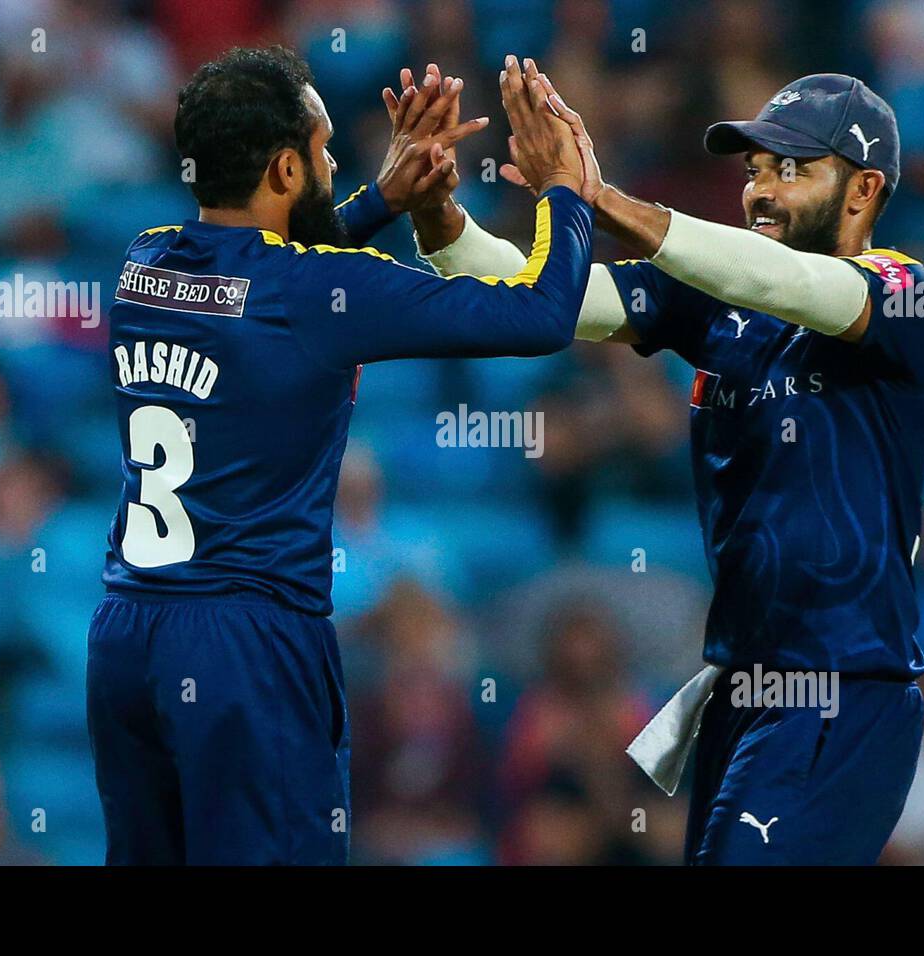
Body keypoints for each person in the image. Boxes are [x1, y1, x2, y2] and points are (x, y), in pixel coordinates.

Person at [408, 59, 924, 864]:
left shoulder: (907, 294)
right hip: (740, 690)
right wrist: (436, 217)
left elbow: (786, 280)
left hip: (840, 694)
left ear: (865, 190)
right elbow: (537, 297)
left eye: (793, 170)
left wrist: (599, 197)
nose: (761, 190)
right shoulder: (721, 301)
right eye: (755, 169)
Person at [86, 45, 592, 864]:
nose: (333, 165)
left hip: (127, 638)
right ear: (285, 169)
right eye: (322, 152)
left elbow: (273, 276)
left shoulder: (144, 262)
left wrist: (382, 199)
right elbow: (542, 315)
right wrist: (564, 187)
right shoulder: (326, 292)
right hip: (247, 647)